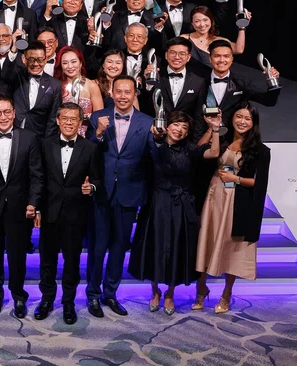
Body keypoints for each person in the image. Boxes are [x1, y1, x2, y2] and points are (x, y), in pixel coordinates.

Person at [129, 111, 221, 315]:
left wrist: (214, 128)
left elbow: (214, 153)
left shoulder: (190, 150)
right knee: (154, 248)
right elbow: (145, 158)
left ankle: (170, 293)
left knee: (176, 250)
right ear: (167, 125)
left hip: (181, 205)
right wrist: (155, 137)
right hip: (156, 204)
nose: (179, 130)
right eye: (176, 125)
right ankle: (155, 292)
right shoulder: (155, 145)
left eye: (184, 127)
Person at [86, 76, 155, 318]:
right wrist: (98, 133)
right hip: (101, 193)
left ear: (135, 94)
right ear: (112, 93)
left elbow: (153, 159)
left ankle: (110, 293)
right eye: (119, 92)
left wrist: (158, 140)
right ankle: (93, 294)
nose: (123, 96)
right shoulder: (98, 117)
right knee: (97, 247)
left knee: (118, 247)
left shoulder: (147, 122)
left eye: (128, 92)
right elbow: (87, 152)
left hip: (129, 193)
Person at [195, 102, 272, 314]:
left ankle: (226, 294)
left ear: (253, 123)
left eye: (247, 118)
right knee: (206, 241)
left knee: (231, 246)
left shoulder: (260, 150)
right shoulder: (224, 138)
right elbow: (199, 152)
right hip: (213, 197)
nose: (242, 121)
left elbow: (260, 183)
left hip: (236, 202)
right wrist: (213, 129)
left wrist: (235, 178)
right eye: (239, 116)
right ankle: (201, 288)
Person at [0, 94, 43, 318]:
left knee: (17, 255)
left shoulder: (30, 138)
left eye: (6, 112)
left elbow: (36, 175)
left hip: (20, 207)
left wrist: (33, 203)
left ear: (14, 113)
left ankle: (19, 296)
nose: (2, 117)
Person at [34, 103, 102, 324]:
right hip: (50, 212)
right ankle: (46, 299)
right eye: (65, 118)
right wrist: (36, 207)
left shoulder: (90, 148)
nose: (69, 122)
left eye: (74, 119)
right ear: (58, 120)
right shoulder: (44, 145)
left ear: (81, 122)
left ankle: (68, 303)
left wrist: (90, 188)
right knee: (47, 261)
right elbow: (39, 179)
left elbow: (98, 179)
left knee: (72, 262)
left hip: (76, 214)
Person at [191, 39, 280, 140]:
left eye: (226, 56)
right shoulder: (199, 83)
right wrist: (197, 146)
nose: (221, 60)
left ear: (232, 59)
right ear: (210, 59)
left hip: (233, 140)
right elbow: (197, 115)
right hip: (206, 139)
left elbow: (269, 101)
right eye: (217, 56)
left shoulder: (241, 83)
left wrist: (273, 82)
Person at [3, 41, 61, 139]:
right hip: (13, 134)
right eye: (31, 59)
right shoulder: (17, 76)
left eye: (40, 60)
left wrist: (47, 143)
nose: (35, 64)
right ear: (23, 59)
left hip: (38, 137)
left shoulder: (55, 84)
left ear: (46, 59)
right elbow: (6, 73)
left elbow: (52, 119)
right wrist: (13, 50)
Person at [140, 37, 206, 117]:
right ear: (166, 55)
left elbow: (198, 114)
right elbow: (145, 105)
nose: (177, 57)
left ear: (188, 57)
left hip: (185, 128)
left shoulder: (198, 81)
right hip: (156, 127)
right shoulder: (154, 76)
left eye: (182, 53)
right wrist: (149, 83)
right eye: (173, 52)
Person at [181, 6, 248, 75]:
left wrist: (242, 26)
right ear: (192, 23)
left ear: (211, 20)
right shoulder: (184, 39)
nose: (202, 24)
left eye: (205, 20)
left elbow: (238, 50)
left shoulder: (219, 40)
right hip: (193, 82)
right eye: (197, 21)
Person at [53, 46, 103, 135]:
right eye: (65, 63)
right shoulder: (57, 85)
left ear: (80, 63)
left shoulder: (91, 85)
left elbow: (99, 116)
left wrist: (85, 117)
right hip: (60, 134)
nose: (70, 66)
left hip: (86, 135)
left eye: (74, 62)